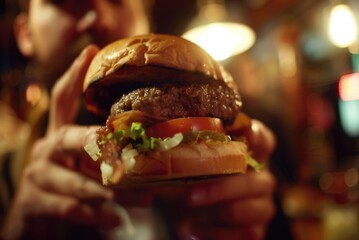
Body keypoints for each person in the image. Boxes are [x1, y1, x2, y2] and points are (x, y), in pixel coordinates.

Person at [0, 0, 276, 239]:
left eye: (118, 0)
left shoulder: (238, 157)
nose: (99, 18)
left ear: (146, 18)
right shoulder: (5, 181)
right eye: (65, 0)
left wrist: (260, 227)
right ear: (25, 34)